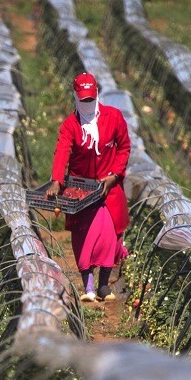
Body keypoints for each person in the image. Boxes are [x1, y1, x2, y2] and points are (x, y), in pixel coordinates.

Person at [45, 72, 131, 303]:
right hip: (81, 191)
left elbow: (124, 148)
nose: (87, 104)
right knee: (85, 236)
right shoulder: (71, 125)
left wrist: (113, 176)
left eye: (90, 99)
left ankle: (104, 284)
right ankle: (89, 285)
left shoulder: (113, 117)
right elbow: (62, 151)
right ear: (75, 97)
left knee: (109, 235)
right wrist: (57, 180)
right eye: (83, 100)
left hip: (108, 188)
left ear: (96, 96)